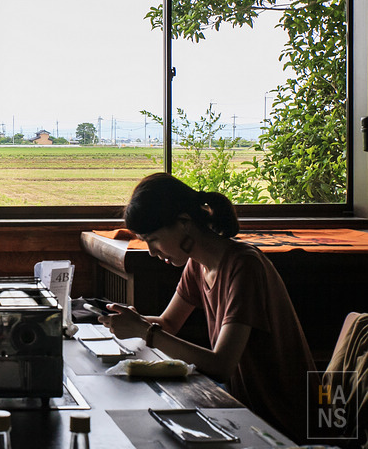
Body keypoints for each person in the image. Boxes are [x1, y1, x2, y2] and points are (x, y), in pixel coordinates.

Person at [100, 173, 314, 443]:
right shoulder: (198, 265)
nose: (152, 252)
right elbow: (168, 323)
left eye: (153, 239)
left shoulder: (244, 266)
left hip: (278, 421)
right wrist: (130, 320)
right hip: (239, 407)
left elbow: (221, 364)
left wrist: (145, 331)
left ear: (185, 223)